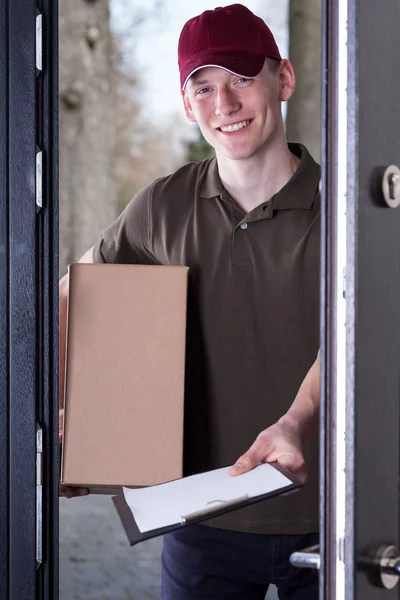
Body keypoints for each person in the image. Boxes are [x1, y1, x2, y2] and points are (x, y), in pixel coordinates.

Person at [59, 4, 321, 598]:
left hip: (330, 515)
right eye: (203, 87)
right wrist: (72, 424)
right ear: (186, 103)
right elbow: (75, 296)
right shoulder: (162, 205)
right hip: (201, 515)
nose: (224, 104)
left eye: (241, 79)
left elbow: (365, 332)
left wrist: (294, 421)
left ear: (283, 79)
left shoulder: (345, 210)